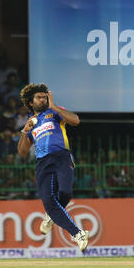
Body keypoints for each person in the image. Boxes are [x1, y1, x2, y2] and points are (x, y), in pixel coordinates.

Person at [17, 82, 89, 252]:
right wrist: (25, 131)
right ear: (30, 102)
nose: (43, 99)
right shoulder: (31, 123)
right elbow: (22, 152)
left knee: (65, 193)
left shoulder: (54, 112)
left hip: (62, 157)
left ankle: (51, 216)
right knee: (49, 201)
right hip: (43, 163)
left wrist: (54, 106)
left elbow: (76, 121)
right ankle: (78, 234)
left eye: (45, 96)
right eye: (39, 97)